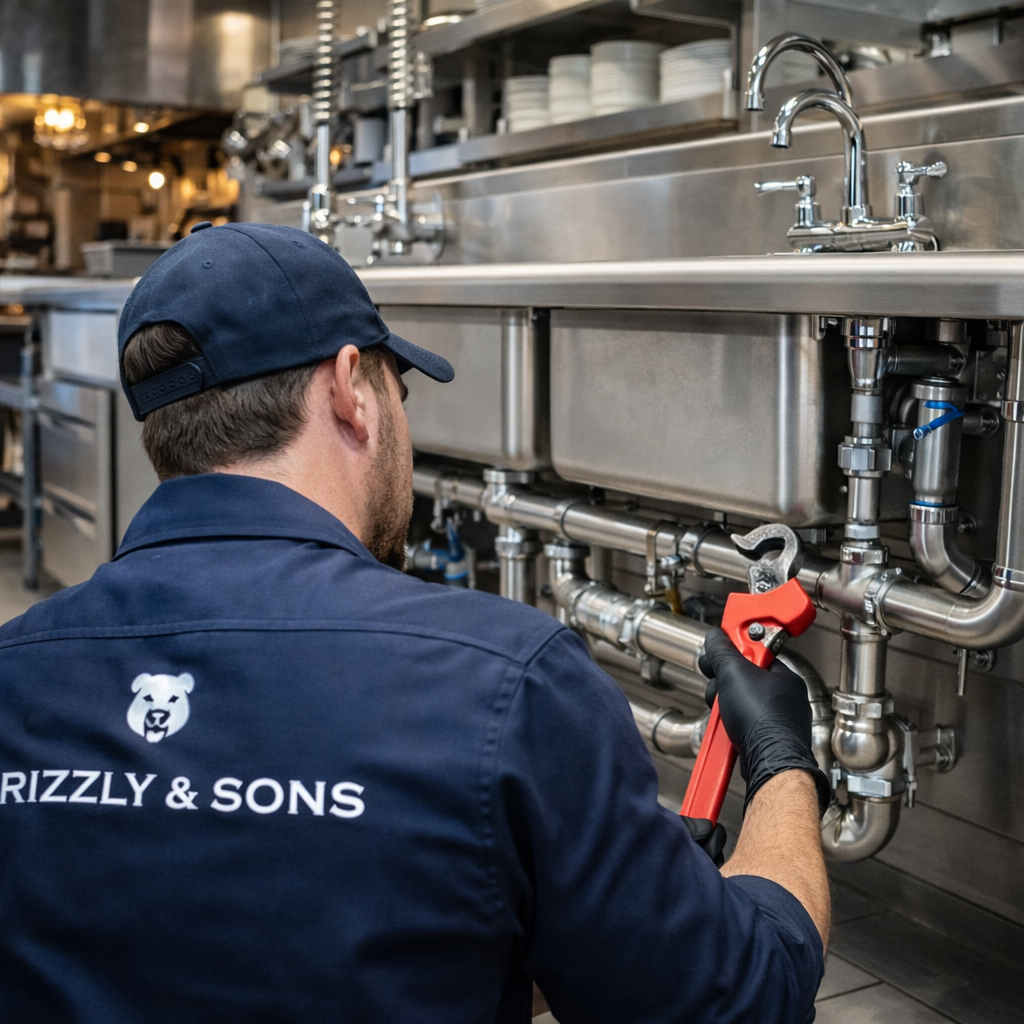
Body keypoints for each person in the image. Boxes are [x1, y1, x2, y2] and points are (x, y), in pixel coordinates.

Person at [0, 222, 831, 1024]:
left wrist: (555, 905)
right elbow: (741, 998)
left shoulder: (14, 671)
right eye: (400, 392)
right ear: (349, 390)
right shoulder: (509, 683)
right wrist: (783, 764)